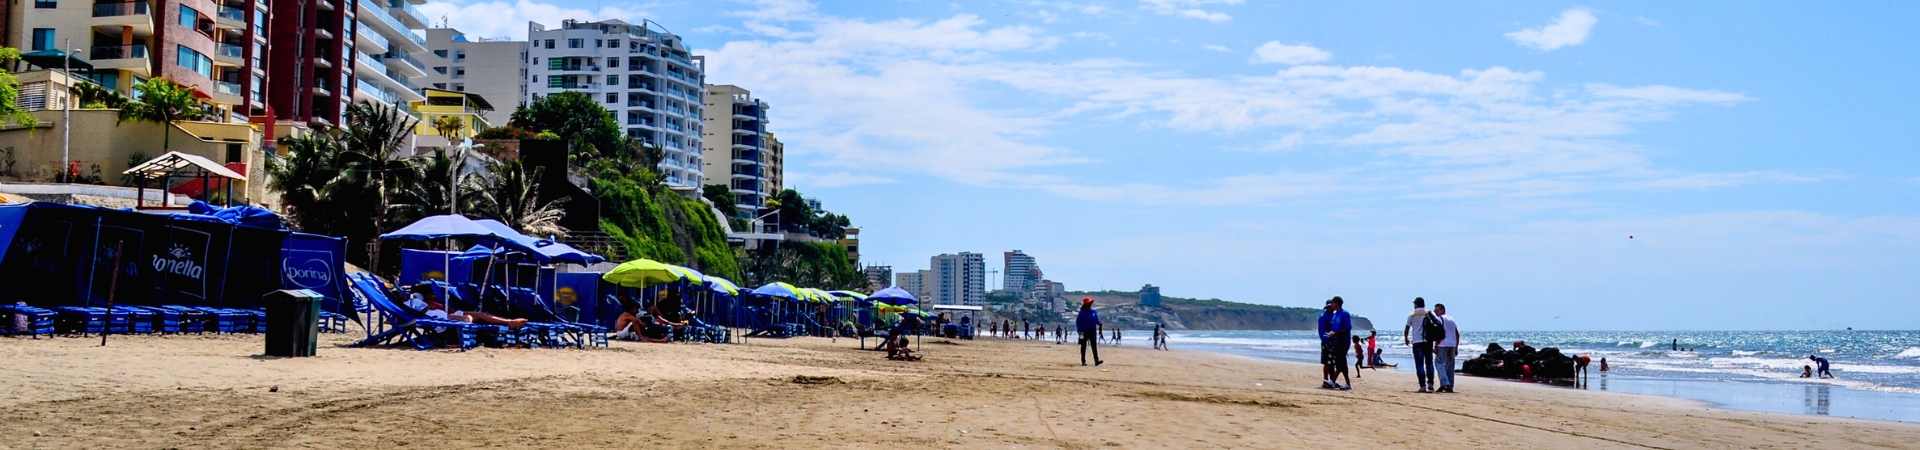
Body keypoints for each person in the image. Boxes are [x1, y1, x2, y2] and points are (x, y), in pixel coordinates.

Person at [405, 285, 527, 329]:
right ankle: (509, 322)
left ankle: (509, 322)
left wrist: (429, 307)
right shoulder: (410, 302)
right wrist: (428, 308)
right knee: (468, 318)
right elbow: (415, 314)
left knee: (482, 314)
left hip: (444, 315)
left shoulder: (414, 301)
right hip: (441, 318)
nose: (431, 294)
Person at [1318, 297, 1353, 390]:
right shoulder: (1333, 315)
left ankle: (1332, 381)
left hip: (1343, 341)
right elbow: (1327, 330)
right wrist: (1329, 338)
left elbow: (1347, 328)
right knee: (1339, 362)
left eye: (1333, 303)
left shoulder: (1344, 314)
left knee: (1339, 362)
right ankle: (1347, 384)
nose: (1331, 306)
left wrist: (1335, 334)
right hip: (1334, 341)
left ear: (1336, 304)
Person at [1405, 297, 1436, 393]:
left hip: (1417, 342)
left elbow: (1407, 328)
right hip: (1428, 341)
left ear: (1416, 304)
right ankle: (1430, 383)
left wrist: (1406, 338)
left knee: (1419, 365)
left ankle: (1422, 386)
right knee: (1429, 363)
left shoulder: (1412, 315)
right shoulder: (1429, 313)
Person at [1433, 303, 1461, 393]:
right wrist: (1456, 346)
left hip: (1443, 344)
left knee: (1439, 363)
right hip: (1452, 344)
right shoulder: (1451, 319)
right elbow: (1457, 334)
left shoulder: (1440, 319)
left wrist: (1436, 345)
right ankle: (1449, 385)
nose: (1436, 312)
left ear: (1442, 310)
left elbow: (1438, 333)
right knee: (1450, 366)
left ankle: (1445, 382)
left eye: (1437, 310)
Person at [1076, 297, 1103, 366]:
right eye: (1088, 303)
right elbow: (1078, 322)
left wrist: (1099, 323)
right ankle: (1083, 361)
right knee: (1083, 346)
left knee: (1094, 346)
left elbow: (1097, 320)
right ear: (1085, 304)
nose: (1090, 304)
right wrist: (1079, 330)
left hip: (1092, 331)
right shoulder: (1082, 313)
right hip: (1083, 331)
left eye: (1090, 303)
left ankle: (1096, 360)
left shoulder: (1094, 312)